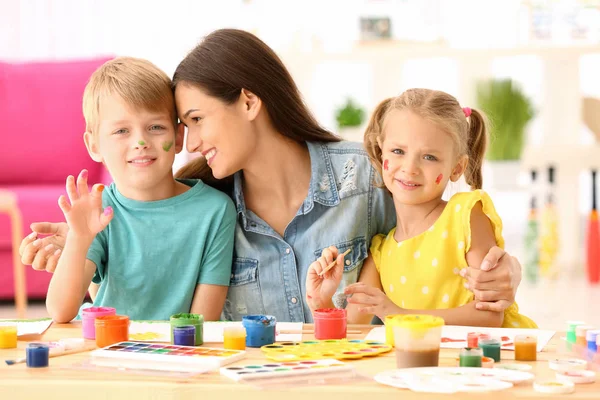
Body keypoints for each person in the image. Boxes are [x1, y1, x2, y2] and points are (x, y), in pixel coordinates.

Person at [20, 29, 523, 323]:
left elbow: (442, 238)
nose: (188, 143)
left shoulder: (366, 177)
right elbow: (149, 233)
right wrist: (85, 239)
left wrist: (505, 272)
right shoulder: (210, 209)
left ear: (249, 101)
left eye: (195, 120)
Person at [306, 89, 537, 328]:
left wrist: (401, 315)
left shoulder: (466, 215)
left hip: (491, 360)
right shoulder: (381, 252)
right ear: (380, 151)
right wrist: (322, 300)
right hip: (429, 364)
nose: (410, 168)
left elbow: (489, 316)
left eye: (429, 157)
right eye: (398, 151)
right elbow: (352, 329)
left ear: (457, 168)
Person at [44, 57, 236, 322]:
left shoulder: (215, 210)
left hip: (178, 354)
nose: (141, 142)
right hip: (107, 350)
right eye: (122, 130)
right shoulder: (99, 212)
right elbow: (60, 312)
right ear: (94, 145)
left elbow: (203, 323)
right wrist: (79, 237)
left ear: (178, 137)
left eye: (156, 127)